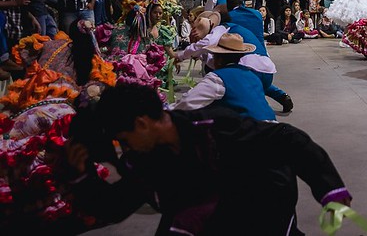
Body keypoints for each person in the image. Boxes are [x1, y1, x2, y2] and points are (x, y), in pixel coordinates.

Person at [64, 83, 352, 236]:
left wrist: (329, 188)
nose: (124, 149)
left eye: (124, 140)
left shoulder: (215, 126)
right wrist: (81, 177)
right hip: (204, 213)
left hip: (263, 197)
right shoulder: (146, 158)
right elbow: (117, 206)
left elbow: (288, 139)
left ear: (141, 123)